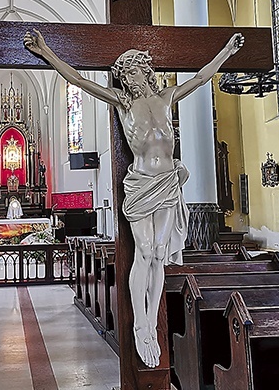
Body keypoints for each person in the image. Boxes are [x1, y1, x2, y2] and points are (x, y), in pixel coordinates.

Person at [24, 29, 244, 368]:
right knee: (143, 251)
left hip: (168, 182)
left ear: (146, 70)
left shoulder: (167, 97)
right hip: (141, 183)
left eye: (132, 71)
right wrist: (47, 52)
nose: (128, 78)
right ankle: (140, 320)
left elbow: (201, 78)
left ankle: (152, 321)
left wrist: (227, 53)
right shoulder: (122, 101)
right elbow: (80, 81)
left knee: (158, 254)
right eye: (123, 74)